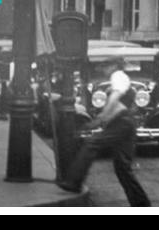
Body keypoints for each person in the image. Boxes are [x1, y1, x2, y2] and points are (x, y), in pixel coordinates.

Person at [59, 74, 151, 206]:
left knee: (92, 144)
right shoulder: (120, 79)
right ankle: (142, 205)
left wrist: (100, 119)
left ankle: (74, 182)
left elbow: (114, 99)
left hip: (121, 121)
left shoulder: (118, 76)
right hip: (123, 121)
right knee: (122, 168)